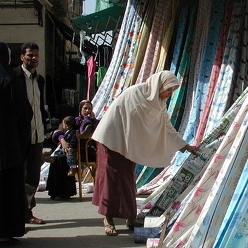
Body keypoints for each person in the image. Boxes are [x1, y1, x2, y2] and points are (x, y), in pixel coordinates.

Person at [91, 70, 199, 236]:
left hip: (129, 145)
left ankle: (130, 217)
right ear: (159, 85)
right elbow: (113, 115)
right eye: (169, 89)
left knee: (127, 179)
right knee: (110, 180)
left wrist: (185, 146)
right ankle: (108, 218)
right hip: (111, 142)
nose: (170, 94)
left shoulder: (158, 103)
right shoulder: (134, 94)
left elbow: (166, 127)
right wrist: (107, 140)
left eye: (173, 91)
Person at [0, 41, 33, 245]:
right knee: (8, 190)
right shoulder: (11, 80)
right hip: (9, 149)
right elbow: (25, 114)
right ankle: (6, 230)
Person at [14, 42, 50, 225]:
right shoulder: (15, 77)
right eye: (30, 55)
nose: (33, 59)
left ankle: (27, 212)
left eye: (36, 55)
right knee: (19, 175)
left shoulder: (40, 80)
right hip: (20, 136)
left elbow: (40, 106)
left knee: (33, 176)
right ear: (22, 57)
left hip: (37, 134)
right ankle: (19, 214)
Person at [46, 100, 99, 200]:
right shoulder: (75, 121)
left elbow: (86, 133)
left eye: (89, 108)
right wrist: (63, 140)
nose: (87, 110)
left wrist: (90, 118)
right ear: (80, 110)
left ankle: (65, 193)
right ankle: (54, 192)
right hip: (72, 149)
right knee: (56, 159)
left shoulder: (93, 122)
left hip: (86, 152)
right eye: (85, 108)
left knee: (63, 159)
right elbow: (59, 131)